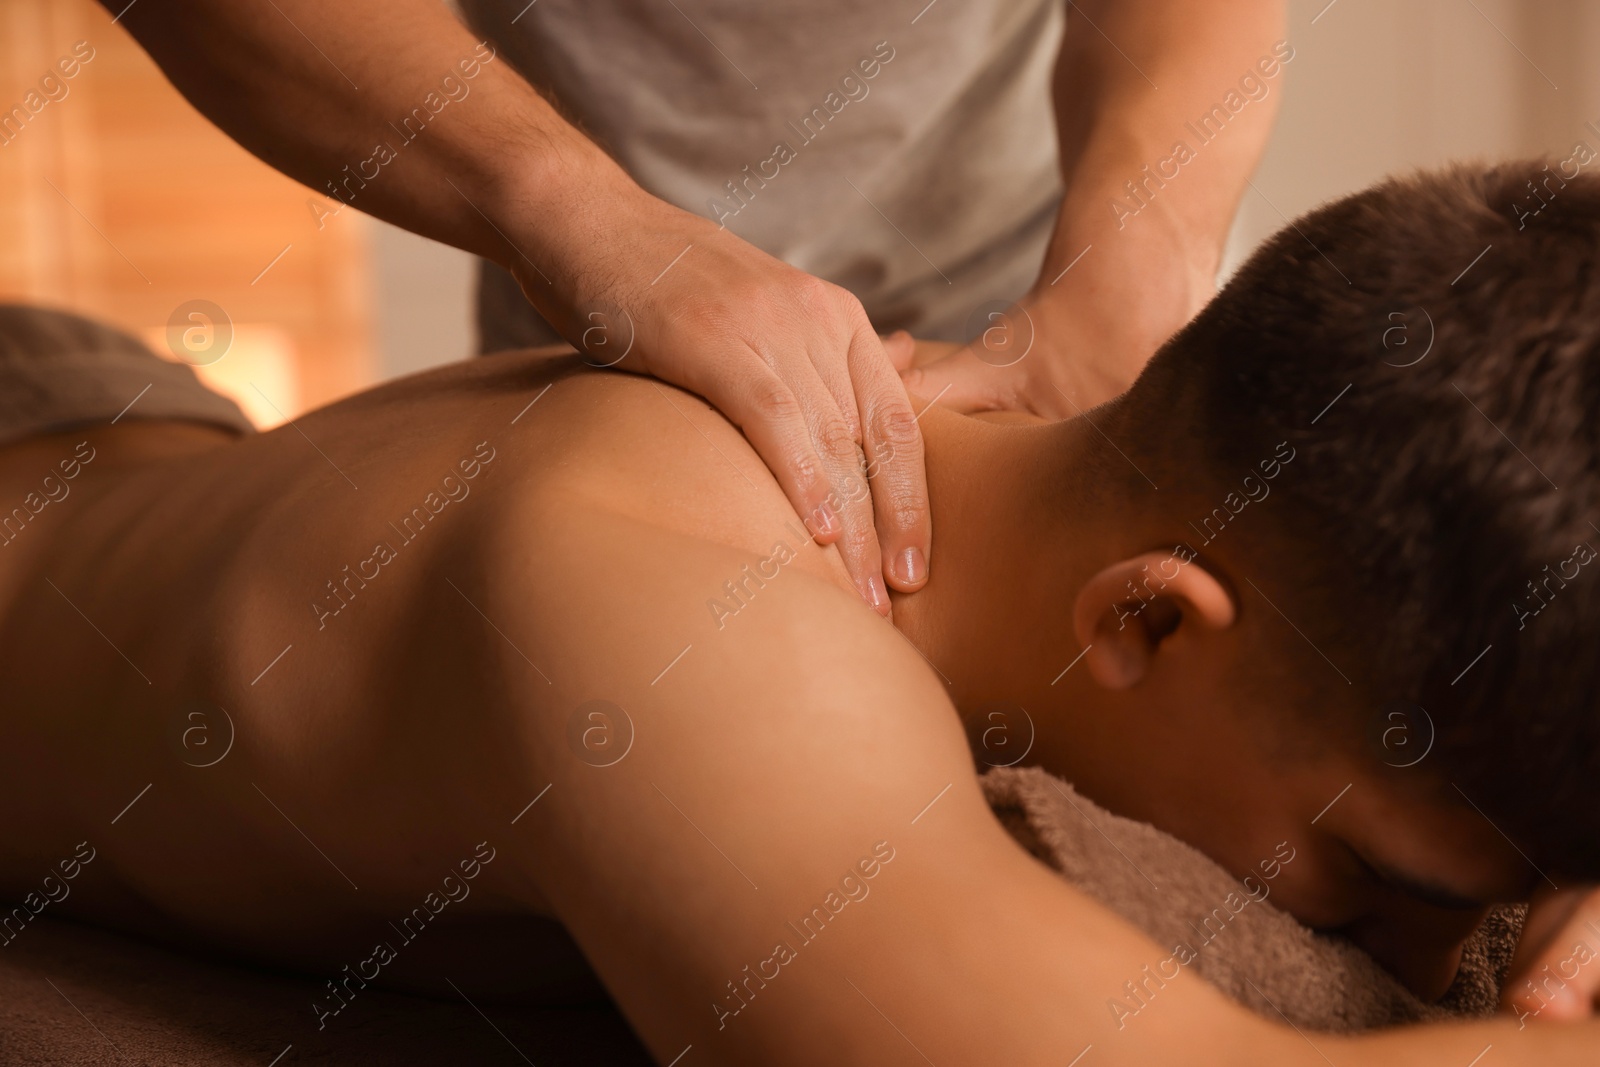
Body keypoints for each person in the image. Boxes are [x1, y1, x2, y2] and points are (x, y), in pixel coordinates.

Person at [4, 160, 1600, 1064]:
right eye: (1383, 875)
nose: (1438, 948)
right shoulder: (703, 627)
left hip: (137, 430)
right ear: (1151, 623)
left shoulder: (1037, 467)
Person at [100, 0, 1287, 621]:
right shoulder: (654, 585)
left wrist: (1131, 272)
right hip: (608, 350)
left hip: (1047, 313)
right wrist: (575, 214)